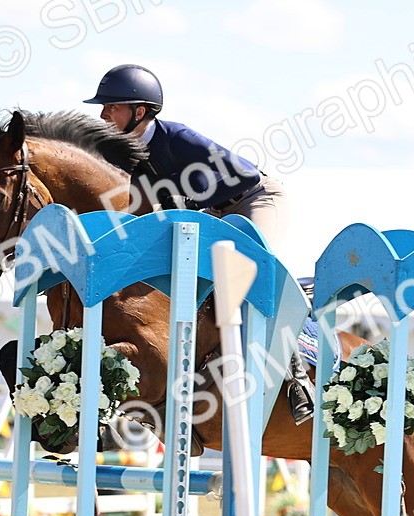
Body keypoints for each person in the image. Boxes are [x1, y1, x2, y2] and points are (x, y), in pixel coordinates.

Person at [84, 64, 314, 425]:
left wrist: (187, 195)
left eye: (112, 107)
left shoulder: (176, 137)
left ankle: (298, 379)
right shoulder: (128, 155)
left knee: (241, 280)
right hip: (209, 215)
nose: (103, 114)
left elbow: (244, 173)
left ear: (139, 112)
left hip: (254, 199)